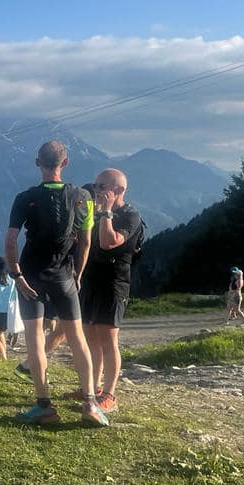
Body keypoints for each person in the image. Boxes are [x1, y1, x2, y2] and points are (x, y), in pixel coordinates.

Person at [5, 140, 108, 427]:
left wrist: (17, 275)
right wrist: (78, 274)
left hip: (31, 276)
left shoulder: (24, 198)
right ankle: (90, 403)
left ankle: (44, 406)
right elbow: (86, 242)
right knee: (77, 339)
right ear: (66, 163)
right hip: (65, 275)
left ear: (37, 163)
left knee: (36, 341)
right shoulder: (84, 197)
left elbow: (11, 241)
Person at [75, 169, 143, 414]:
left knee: (108, 338)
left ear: (119, 191)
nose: (97, 190)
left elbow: (108, 241)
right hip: (91, 280)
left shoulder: (130, 216)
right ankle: (90, 389)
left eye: (103, 186)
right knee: (90, 335)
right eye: (97, 185)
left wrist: (106, 212)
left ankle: (110, 394)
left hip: (114, 283)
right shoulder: (94, 208)